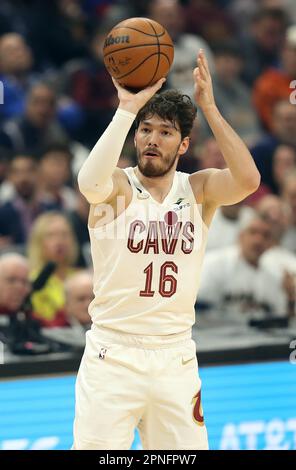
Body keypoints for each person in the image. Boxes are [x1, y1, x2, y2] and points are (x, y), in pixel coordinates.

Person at [74, 49, 260, 450]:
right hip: (113, 354)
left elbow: (248, 181)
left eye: (165, 132)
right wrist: (127, 110)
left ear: (183, 144)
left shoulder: (198, 190)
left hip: (175, 356)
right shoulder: (118, 188)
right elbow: (88, 184)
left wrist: (209, 107)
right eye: (146, 129)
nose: (152, 140)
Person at [27, 211, 78, 327]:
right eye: (51, 235)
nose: (59, 241)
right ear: (39, 242)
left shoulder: (80, 279)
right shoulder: (35, 282)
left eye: (64, 234)